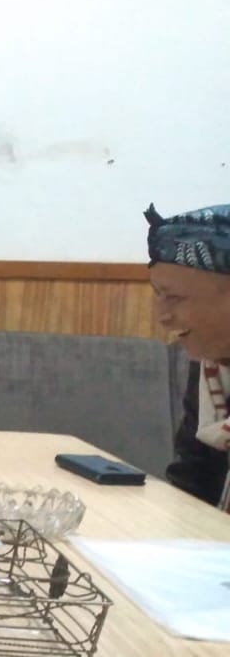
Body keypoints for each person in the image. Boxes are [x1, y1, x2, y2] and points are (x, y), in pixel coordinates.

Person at [146, 203, 230, 508]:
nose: (162, 316)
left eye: (176, 298)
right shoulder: (212, 369)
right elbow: (191, 483)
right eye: (158, 294)